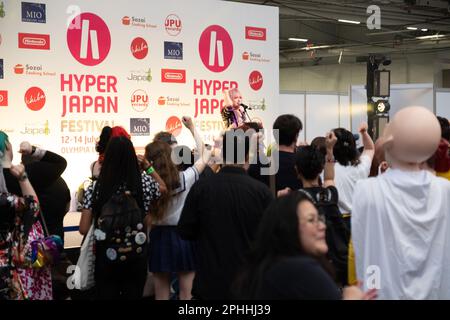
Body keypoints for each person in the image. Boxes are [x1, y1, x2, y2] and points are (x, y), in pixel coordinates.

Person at [352, 106, 450, 299]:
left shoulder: (367, 190)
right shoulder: (444, 189)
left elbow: (362, 248)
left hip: (380, 293)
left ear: (389, 142)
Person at [178, 129, 273, 299]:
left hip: (209, 284)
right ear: (247, 158)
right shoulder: (261, 192)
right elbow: (272, 238)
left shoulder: (202, 188)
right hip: (248, 286)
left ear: (221, 156)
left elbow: (185, 231)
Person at [234, 192, 376, 300]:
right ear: (288, 227)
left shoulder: (266, 271)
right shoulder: (300, 270)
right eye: (311, 220)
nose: (322, 226)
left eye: (319, 219)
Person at [80, 136, 161, 299]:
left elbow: (83, 228)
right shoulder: (145, 182)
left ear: (108, 157)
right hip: (137, 255)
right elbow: (163, 189)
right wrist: (149, 168)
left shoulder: (96, 186)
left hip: (106, 257)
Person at [144, 116, 212, 300]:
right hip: (183, 237)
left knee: (161, 295)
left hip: (158, 237)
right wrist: (191, 127)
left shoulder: (147, 182)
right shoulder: (184, 178)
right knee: (186, 293)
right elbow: (205, 153)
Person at [294, 132, 350, 285]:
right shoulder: (330, 195)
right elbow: (329, 178)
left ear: (297, 171)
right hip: (336, 264)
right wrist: (330, 149)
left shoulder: (295, 200)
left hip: (310, 267)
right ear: (320, 170)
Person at [1, 138, 52, 299]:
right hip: (5, 277)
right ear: (8, 147)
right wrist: (23, 178)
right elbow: (32, 206)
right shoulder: (6, 201)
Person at [332, 123, 375, 220]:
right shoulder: (361, 167)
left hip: (338, 221)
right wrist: (364, 133)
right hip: (359, 219)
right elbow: (369, 148)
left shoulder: (328, 171)